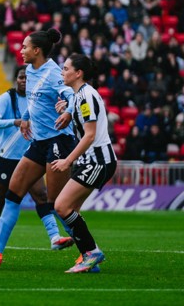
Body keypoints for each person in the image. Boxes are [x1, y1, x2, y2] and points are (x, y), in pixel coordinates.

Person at [0, 29, 77, 269]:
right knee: (13, 192)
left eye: (25, 47)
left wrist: (69, 109)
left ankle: (89, 251)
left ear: (37, 50)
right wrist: (26, 117)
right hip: (39, 141)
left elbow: (71, 94)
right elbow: (34, 101)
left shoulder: (53, 73)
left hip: (60, 141)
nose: (21, 50)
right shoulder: (29, 70)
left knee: (59, 204)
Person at [0, 65, 73, 250]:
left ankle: (55, 237)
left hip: (31, 156)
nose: (24, 80)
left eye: (26, 78)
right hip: (7, 157)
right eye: (21, 77)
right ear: (16, 79)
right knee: (1, 199)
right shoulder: (7, 98)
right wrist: (17, 122)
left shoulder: (38, 97)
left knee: (42, 196)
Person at [52, 54, 117, 273]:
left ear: (78, 73)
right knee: (72, 211)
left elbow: (89, 136)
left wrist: (67, 161)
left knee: (61, 206)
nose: (63, 71)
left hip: (97, 160)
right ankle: (88, 258)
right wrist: (68, 115)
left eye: (66, 68)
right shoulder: (79, 95)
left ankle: (91, 252)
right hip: (90, 160)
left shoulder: (86, 96)